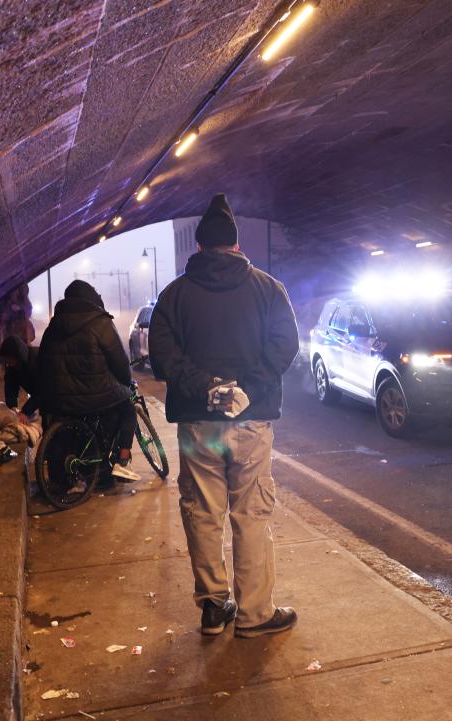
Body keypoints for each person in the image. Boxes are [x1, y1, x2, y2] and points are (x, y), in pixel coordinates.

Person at [149, 193, 300, 638]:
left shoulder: (174, 296)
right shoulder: (269, 289)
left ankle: (214, 607)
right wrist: (246, 391)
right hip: (251, 423)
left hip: (199, 424)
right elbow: (283, 346)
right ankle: (255, 615)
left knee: (202, 511)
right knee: (251, 514)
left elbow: (163, 357)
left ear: (198, 247)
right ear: (236, 245)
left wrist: (207, 389)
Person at [38, 280, 142, 482]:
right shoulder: (101, 323)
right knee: (128, 409)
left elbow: (42, 365)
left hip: (60, 399)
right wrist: (126, 382)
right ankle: (122, 461)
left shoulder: (53, 326)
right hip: (96, 396)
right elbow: (120, 364)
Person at [0, 335, 39, 420]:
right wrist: (12, 407)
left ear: (18, 355)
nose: (9, 363)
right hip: (42, 396)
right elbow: (10, 386)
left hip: (57, 396)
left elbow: (42, 391)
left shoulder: (37, 359)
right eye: (6, 360)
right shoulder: (12, 365)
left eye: (10, 359)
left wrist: (25, 412)